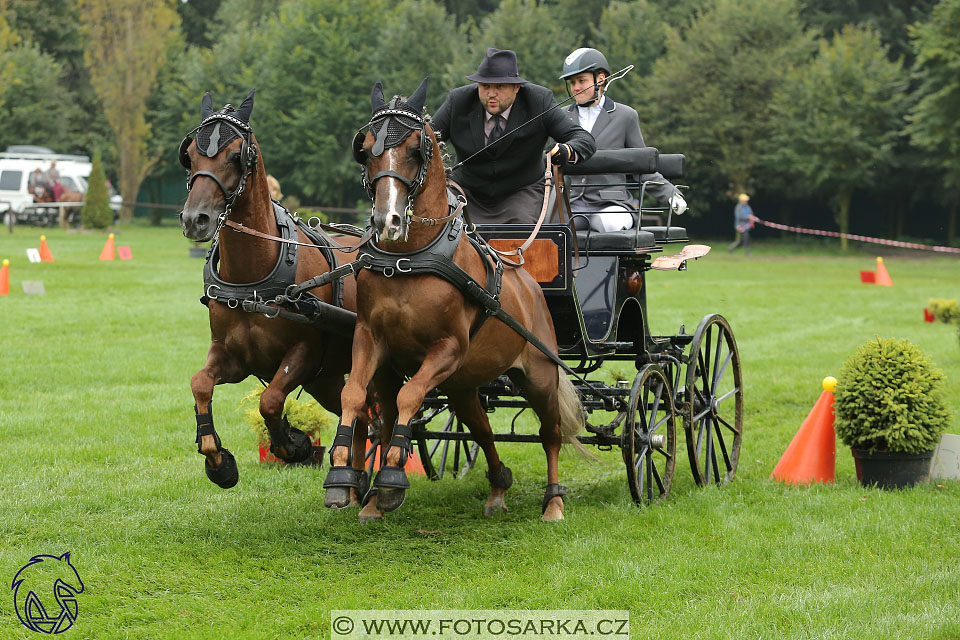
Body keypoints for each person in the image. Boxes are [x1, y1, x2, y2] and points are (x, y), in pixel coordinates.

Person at [431, 48, 596, 224]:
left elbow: (584, 140)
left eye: (500, 86)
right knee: (443, 231)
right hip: (465, 191)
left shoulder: (539, 101)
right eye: (485, 86)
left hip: (521, 192)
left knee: (519, 231)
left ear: (517, 87)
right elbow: (427, 140)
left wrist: (567, 150)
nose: (491, 93)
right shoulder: (457, 101)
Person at [559, 47, 687, 232]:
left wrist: (670, 194)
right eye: (572, 82)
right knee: (553, 230)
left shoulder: (625, 116)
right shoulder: (561, 117)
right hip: (570, 204)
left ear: (600, 79)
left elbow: (641, 166)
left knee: (612, 224)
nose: (576, 88)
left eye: (581, 81)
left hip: (610, 204)